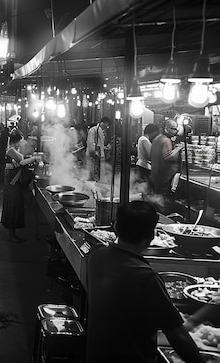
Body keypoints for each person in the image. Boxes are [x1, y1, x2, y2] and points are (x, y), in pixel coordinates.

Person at [86, 201, 203, 363]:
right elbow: (177, 335)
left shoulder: (96, 255)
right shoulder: (146, 277)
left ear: (116, 227)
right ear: (151, 237)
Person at [1, 130, 40, 242]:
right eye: (21, 141)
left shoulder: (12, 150)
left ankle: (13, 234)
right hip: (12, 183)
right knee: (12, 208)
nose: (22, 143)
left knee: (14, 208)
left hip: (13, 182)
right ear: (17, 141)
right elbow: (22, 162)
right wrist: (34, 158)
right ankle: (11, 236)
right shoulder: (11, 151)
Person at [150, 119, 183, 198]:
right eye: (173, 129)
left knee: (157, 197)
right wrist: (179, 148)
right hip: (165, 176)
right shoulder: (166, 140)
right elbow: (167, 157)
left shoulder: (157, 138)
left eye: (176, 129)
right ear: (166, 128)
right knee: (163, 198)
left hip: (156, 174)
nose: (176, 131)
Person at [86, 117, 111, 181]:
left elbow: (101, 144)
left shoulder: (100, 131)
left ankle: (96, 183)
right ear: (103, 123)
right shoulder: (94, 130)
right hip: (93, 155)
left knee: (97, 171)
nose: (107, 127)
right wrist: (95, 151)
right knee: (92, 171)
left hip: (98, 155)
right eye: (107, 125)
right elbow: (90, 142)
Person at [136, 123, 160, 189]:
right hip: (143, 166)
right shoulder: (144, 139)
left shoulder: (143, 139)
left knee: (144, 187)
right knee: (145, 187)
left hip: (142, 166)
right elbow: (149, 155)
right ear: (154, 132)